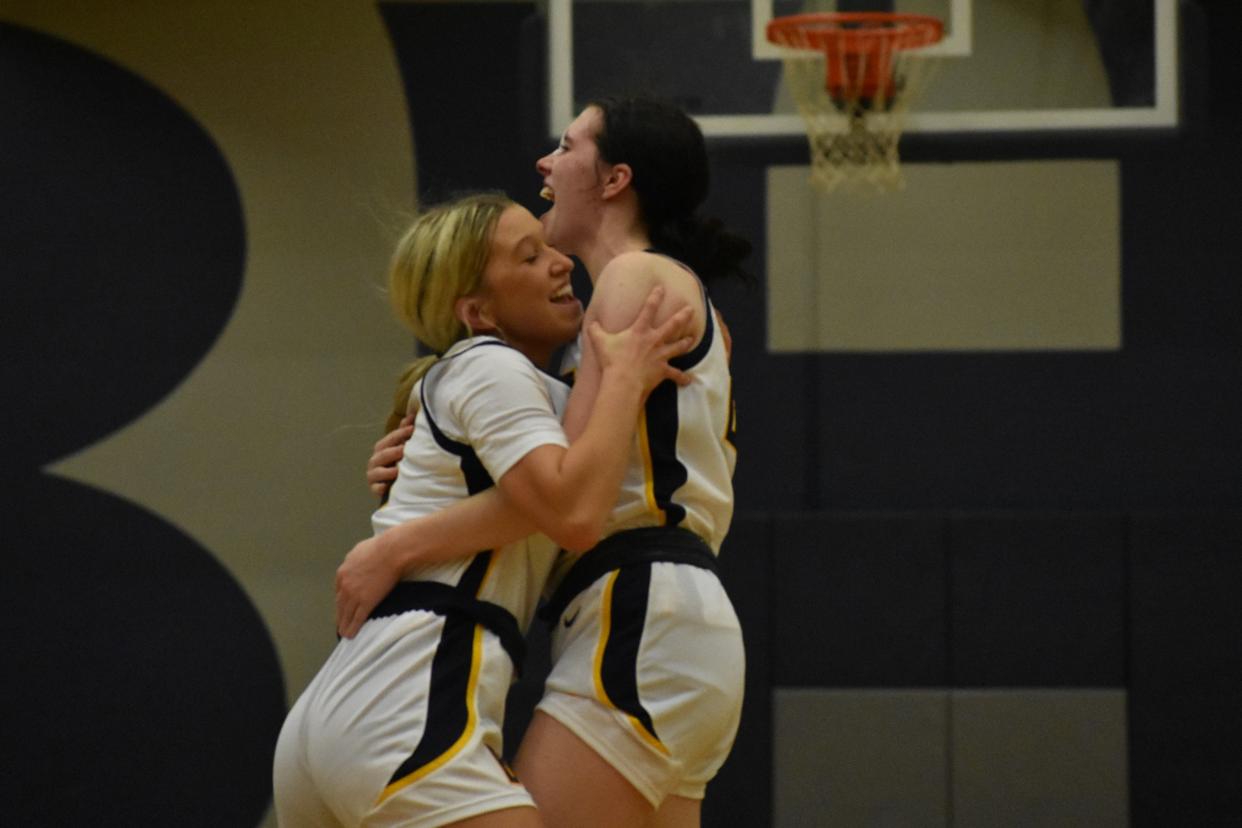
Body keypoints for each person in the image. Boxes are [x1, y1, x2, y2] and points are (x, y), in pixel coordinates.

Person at [337, 96, 751, 828]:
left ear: (615, 178)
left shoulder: (631, 281)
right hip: (681, 621)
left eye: (567, 146)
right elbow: (574, 465)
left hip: (641, 609)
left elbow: (569, 504)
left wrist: (398, 543)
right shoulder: (665, 290)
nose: (545, 163)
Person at [273, 191, 696, 828]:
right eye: (530, 258)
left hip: (350, 706)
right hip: (410, 696)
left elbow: (537, 499)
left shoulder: (495, 383)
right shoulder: (491, 366)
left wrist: (397, 542)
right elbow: (573, 511)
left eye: (550, 247)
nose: (559, 263)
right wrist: (629, 379)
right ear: (477, 310)